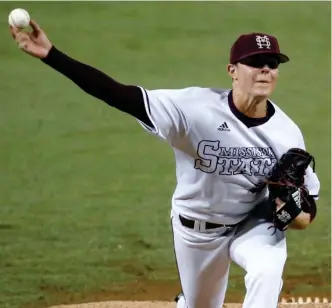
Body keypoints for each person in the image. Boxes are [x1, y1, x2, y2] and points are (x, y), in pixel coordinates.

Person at [10, 20, 320, 308]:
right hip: (199, 228)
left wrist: (291, 211)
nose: (265, 70)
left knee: (266, 272)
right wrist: (51, 55)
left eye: (273, 64)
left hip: (254, 222)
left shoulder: (286, 133)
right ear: (233, 70)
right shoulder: (194, 110)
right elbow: (119, 95)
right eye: (255, 63)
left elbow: (306, 214)